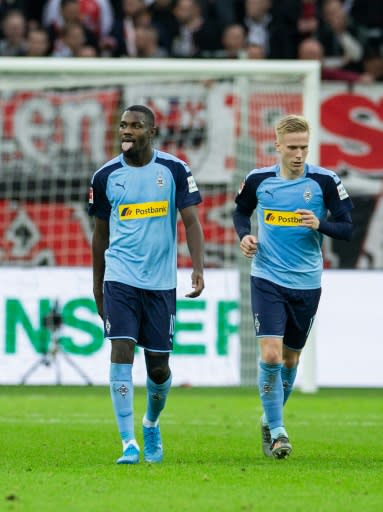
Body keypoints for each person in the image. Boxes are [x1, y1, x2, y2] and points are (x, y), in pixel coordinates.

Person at [88, 105, 204, 464]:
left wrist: (197, 268)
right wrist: (97, 286)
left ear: (151, 132)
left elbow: (191, 222)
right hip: (119, 278)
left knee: (158, 368)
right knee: (121, 351)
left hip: (160, 283)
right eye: (123, 125)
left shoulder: (173, 170)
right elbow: (100, 235)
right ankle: (128, 443)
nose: (127, 131)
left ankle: (150, 423)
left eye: (136, 126)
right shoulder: (105, 176)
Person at [233, 114, 353, 459]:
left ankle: (269, 419)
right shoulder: (258, 180)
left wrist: (321, 224)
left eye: (304, 147)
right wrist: (245, 236)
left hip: (307, 282)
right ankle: (279, 431)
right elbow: (241, 213)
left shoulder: (325, 182)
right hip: (267, 276)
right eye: (292, 148)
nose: (299, 154)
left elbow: (346, 228)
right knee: (270, 353)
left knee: (290, 359)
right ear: (278, 147)